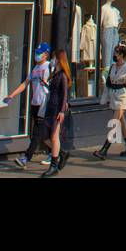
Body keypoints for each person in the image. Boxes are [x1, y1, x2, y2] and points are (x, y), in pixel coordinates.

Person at [6, 42, 53, 169]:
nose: (36, 55)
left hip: (44, 103)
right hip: (35, 103)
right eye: (36, 53)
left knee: (37, 133)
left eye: (39, 53)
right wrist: (12, 95)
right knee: (42, 134)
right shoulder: (35, 69)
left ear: (46, 54)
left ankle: (26, 158)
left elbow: (54, 85)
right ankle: (57, 152)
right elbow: (25, 83)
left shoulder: (49, 67)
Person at [93, 44, 126, 159]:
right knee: (122, 123)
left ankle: (104, 150)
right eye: (114, 52)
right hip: (114, 97)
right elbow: (109, 83)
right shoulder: (113, 67)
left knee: (114, 122)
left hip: (122, 98)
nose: (114, 55)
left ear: (122, 55)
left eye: (116, 53)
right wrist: (105, 98)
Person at [39, 49, 72, 177]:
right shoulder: (55, 74)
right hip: (50, 108)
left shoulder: (62, 75)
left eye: (54, 58)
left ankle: (54, 166)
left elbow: (64, 94)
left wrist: (62, 111)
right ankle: (62, 153)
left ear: (59, 59)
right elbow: (52, 91)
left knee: (54, 137)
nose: (52, 60)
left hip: (57, 109)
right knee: (45, 136)